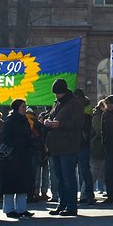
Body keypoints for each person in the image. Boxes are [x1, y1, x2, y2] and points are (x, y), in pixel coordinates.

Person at [44, 78, 85, 217]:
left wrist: (59, 124)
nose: (56, 96)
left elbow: (78, 123)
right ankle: (62, 204)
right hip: (55, 145)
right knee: (59, 177)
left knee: (68, 178)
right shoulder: (57, 103)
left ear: (64, 91)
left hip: (68, 145)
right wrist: (47, 121)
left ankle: (72, 206)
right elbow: (52, 116)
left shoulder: (75, 103)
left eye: (58, 93)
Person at [0, 99, 33, 217]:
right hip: (12, 157)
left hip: (23, 155)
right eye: (23, 107)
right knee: (10, 183)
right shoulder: (10, 120)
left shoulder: (24, 120)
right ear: (17, 108)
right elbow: (5, 138)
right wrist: (22, 141)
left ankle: (21, 208)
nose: (25, 109)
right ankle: (9, 209)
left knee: (23, 183)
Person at [75, 89, 96, 204]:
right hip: (76, 143)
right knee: (82, 171)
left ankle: (89, 196)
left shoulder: (87, 111)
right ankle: (84, 196)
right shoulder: (82, 108)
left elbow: (84, 125)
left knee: (84, 171)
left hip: (83, 144)